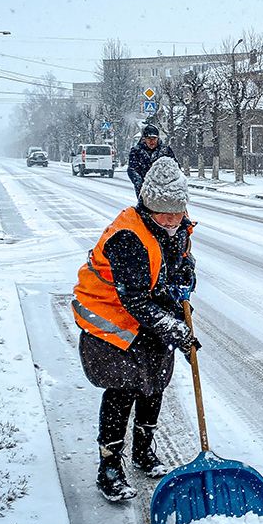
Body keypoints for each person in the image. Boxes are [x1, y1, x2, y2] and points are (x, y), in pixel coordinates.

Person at [72, 156, 198, 502]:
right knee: (122, 389)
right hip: (112, 318)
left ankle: (143, 451)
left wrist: (187, 274)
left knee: (154, 383)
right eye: (164, 213)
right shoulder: (128, 237)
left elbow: (176, 268)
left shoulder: (176, 227)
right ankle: (109, 467)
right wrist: (174, 329)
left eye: (178, 211)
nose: (173, 220)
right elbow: (136, 300)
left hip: (147, 315)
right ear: (147, 207)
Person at [128, 124, 177, 199]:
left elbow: (175, 166)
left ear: (158, 138)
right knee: (144, 209)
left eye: (154, 138)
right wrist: (139, 183)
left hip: (165, 189)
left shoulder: (165, 151)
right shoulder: (136, 151)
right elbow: (132, 169)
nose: (151, 141)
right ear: (144, 139)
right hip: (145, 190)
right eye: (148, 138)